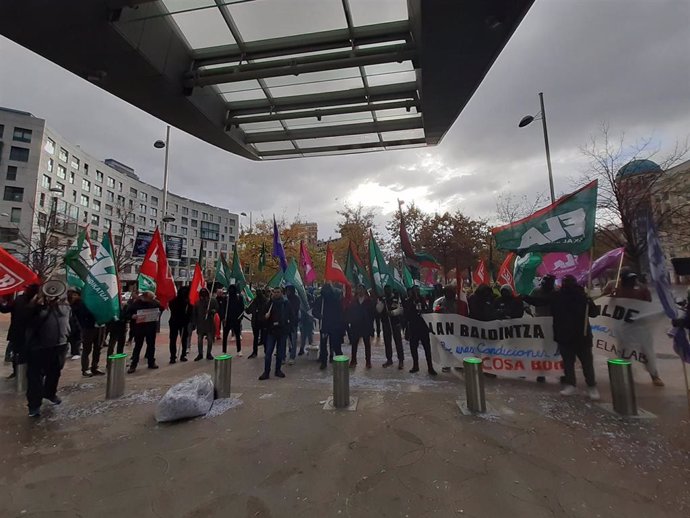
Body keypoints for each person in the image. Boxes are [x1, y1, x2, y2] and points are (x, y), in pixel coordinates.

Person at [524, 275, 600, 400]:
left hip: (580, 335)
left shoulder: (583, 297)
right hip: (566, 336)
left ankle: (591, 386)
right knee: (569, 363)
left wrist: (589, 303)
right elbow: (541, 301)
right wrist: (525, 298)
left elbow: (594, 313)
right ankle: (572, 385)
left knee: (585, 363)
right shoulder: (558, 296)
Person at [602, 268, 663, 386]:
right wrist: (610, 294)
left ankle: (654, 375)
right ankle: (624, 375)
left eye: (633, 279)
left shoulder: (642, 289)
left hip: (640, 326)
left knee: (647, 351)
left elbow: (649, 304)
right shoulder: (614, 286)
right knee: (623, 351)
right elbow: (605, 301)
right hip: (622, 327)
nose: (632, 282)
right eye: (629, 280)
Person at [25, 288, 71, 417]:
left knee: (54, 373)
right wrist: (37, 304)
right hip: (39, 347)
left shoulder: (65, 307)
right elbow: (27, 320)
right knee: (35, 378)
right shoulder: (36, 307)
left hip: (59, 345)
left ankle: (50, 393)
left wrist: (74, 339)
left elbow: (71, 323)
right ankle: (34, 406)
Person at [1, 284, 40, 379]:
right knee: (16, 354)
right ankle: (16, 372)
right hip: (16, 332)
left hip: (32, 335)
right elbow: (6, 309)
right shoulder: (19, 299)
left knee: (30, 355)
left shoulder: (38, 303)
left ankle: (29, 373)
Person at [69, 288, 105, 377]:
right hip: (88, 328)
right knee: (87, 349)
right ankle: (85, 369)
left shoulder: (101, 301)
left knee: (98, 348)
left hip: (100, 327)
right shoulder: (82, 303)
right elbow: (83, 313)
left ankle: (95, 367)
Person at [403, 286, 438, 376]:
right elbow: (406, 315)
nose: (416, 292)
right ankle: (415, 365)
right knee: (413, 348)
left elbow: (428, 311)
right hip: (413, 328)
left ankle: (430, 367)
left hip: (423, 328)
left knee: (427, 348)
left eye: (418, 290)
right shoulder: (409, 301)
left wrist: (429, 303)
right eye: (415, 290)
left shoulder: (423, 300)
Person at [529, 275, 557, 384]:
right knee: (540, 349)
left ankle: (560, 371)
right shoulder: (536, 291)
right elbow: (529, 301)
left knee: (553, 348)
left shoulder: (556, 292)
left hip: (553, 323)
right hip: (540, 323)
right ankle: (541, 373)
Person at [126, 291, 162, 373]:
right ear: (144, 297)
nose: (150, 300)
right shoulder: (136, 303)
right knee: (138, 346)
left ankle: (151, 362)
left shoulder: (154, 303)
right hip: (139, 328)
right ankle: (133, 364)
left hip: (151, 328)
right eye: (149, 299)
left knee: (151, 346)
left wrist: (158, 313)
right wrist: (133, 316)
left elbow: (160, 308)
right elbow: (127, 314)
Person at [259, 287, 291, 380]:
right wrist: (265, 317)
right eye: (274, 292)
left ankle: (278, 370)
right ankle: (266, 372)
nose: (276, 294)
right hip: (271, 331)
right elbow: (261, 316)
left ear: (281, 293)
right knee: (268, 352)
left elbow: (291, 315)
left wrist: (288, 327)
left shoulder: (285, 303)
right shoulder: (269, 303)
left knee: (280, 353)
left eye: (278, 292)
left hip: (282, 331)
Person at [347, 284, 375, 369]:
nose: (360, 291)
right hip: (356, 325)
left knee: (367, 344)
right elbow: (350, 311)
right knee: (354, 344)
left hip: (365, 325)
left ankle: (368, 361)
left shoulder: (368, 301)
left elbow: (372, 314)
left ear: (364, 290)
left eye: (362, 289)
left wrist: (371, 325)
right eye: (359, 289)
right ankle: (353, 360)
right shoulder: (354, 301)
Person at [377, 285, 405, 370]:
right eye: (385, 290)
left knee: (398, 343)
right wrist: (381, 302)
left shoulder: (396, 298)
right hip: (386, 324)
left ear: (391, 290)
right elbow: (378, 310)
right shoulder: (382, 299)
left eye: (388, 290)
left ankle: (401, 360)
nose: (387, 292)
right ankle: (389, 359)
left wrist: (393, 313)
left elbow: (400, 309)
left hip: (395, 324)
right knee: (387, 343)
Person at [319, 283, 345, 369]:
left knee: (336, 345)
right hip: (325, 325)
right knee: (323, 345)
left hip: (334, 325)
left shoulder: (336, 299)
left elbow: (340, 312)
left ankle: (339, 360)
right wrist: (319, 315)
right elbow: (315, 310)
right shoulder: (321, 300)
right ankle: (324, 361)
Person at [193, 288, 218, 361]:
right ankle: (200, 354)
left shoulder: (212, 301)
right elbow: (195, 313)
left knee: (210, 340)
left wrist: (211, 311)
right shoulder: (197, 302)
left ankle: (208, 353)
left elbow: (216, 308)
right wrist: (194, 323)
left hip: (209, 323)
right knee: (200, 340)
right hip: (200, 323)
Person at [168, 286, 191, 363]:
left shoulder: (186, 302)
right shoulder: (186, 302)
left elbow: (189, 313)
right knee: (177, 339)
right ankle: (178, 356)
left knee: (177, 339)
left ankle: (175, 356)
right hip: (177, 322)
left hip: (179, 322)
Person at [219, 285, 245, 355]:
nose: (231, 291)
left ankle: (239, 350)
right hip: (227, 320)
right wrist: (223, 318)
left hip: (236, 319)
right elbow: (223, 308)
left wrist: (240, 317)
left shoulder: (239, 297)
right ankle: (224, 351)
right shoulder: (226, 298)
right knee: (225, 336)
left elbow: (242, 308)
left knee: (237, 335)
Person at [246, 288, 268, 359]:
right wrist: (246, 307)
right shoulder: (254, 301)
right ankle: (255, 352)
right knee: (256, 338)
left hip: (263, 322)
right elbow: (248, 311)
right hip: (255, 322)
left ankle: (266, 351)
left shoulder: (265, 301)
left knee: (264, 338)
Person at [284, 285, 301, 364]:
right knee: (284, 340)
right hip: (285, 322)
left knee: (293, 340)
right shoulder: (285, 299)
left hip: (293, 322)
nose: (287, 292)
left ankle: (292, 356)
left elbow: (295, 310)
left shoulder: (296, 299)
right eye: (286, 290)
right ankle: (283, 357)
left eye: (288, 290)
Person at [66, 288, 82, 360]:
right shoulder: (69, 304)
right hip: (70, 325)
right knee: (71, 339)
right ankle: (73, 352)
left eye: (75, 295)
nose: (73, 297)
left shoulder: (79, 304)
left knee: (76, 339)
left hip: (77, 325)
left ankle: (76, 352)